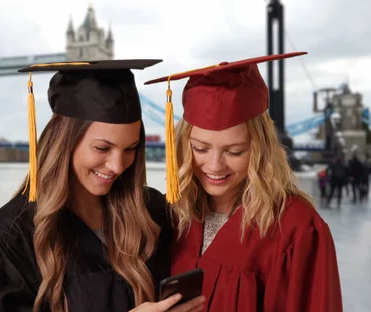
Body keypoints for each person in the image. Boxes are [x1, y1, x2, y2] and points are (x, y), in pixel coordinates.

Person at [0, 60, 205, 312]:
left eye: (130, 149)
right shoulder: (13, 234)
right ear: (65, 142)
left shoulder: (151, 210)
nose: (118, 165)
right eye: (102, 148)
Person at [144, 52, 343, 311]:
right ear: (182, 146)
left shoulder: (296, 228)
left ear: (260, 149)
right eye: (200, 149)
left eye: (234, 151)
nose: (214, 166)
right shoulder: (175, 216)